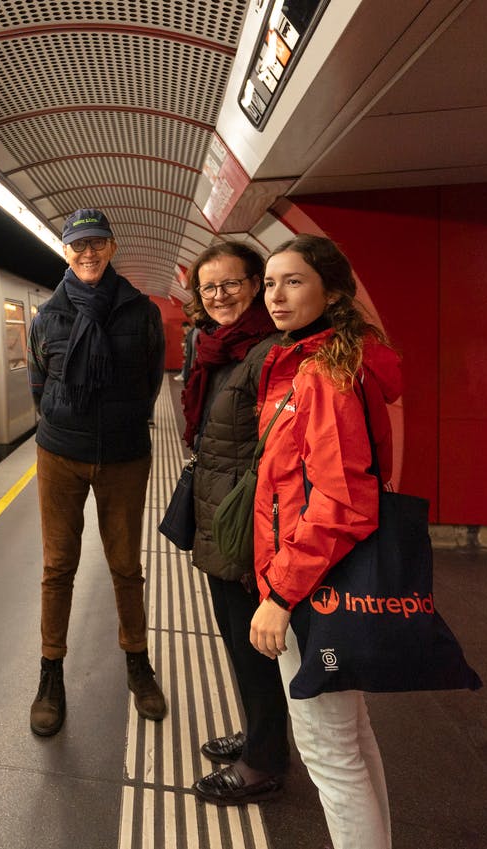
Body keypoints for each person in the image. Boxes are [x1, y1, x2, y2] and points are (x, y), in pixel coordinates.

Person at [249, 234, 401, 848]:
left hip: (314, 583)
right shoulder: (327, 362)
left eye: (293, 281)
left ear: (332, 291)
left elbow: (343, 501)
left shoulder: (323, 376)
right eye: (269, 283)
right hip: (318, 574)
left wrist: (280, 596)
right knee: (351, 740)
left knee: (329, 753)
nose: (276, 296)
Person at [27, 207, 166, 736]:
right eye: (77, 244)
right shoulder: (48, 316)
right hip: (60, 454)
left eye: (97, 243)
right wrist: (64, 424)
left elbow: (152, 379)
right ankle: (50, 674)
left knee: (126, 565)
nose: (87, 252)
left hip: (124, 456)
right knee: (58, 566)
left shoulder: (141, 311)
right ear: (66, 252)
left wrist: (122, 419)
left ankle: (137, 662)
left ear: (112, 248)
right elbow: (40, 386)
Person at [174, 244, 288, 806]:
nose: (219, 296)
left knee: (254, 650)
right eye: (208, 288)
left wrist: (261, 537)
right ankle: (260, 734)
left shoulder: (269, 353)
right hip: (223, 515)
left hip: (248, 526)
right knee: (240, 643)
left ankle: (263, 763)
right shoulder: (219, 349)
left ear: (256, 283)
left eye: (231, 284)